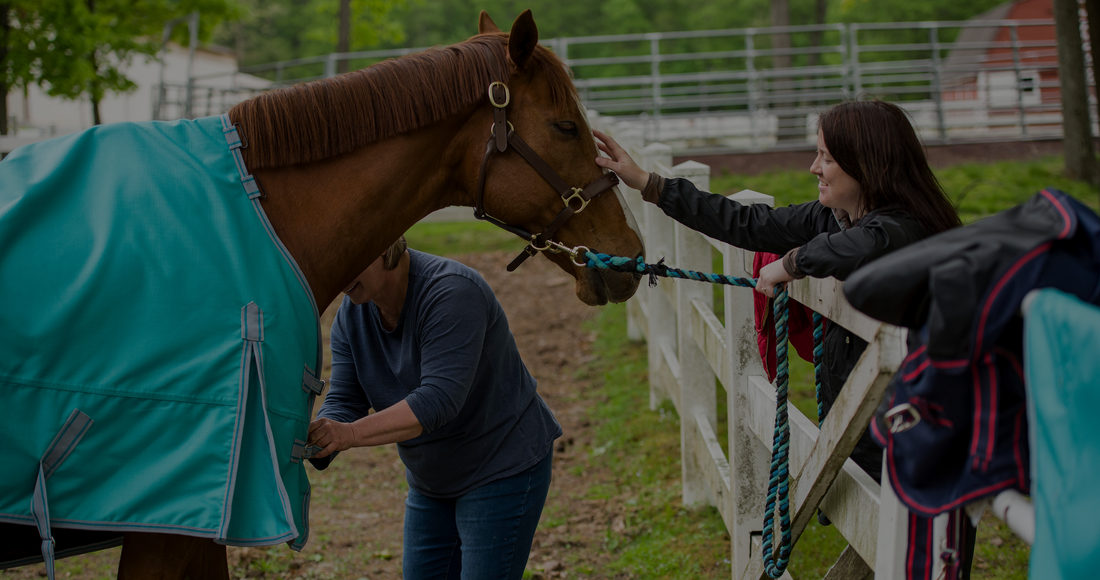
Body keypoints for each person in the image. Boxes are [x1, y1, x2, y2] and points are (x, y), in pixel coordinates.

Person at [594, 98, 963, 479]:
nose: (814, 167)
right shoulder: (835, 217)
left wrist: (789, 263)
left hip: (916, 428)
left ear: (867, 165)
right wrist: (650, 184)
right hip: (865, 418)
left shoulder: (902, 228)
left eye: (827, 158)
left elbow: (868, 244)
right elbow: (751, 224)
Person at [307, 236, 561, 580]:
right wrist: (323, 432)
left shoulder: (452, 291)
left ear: (384, 243)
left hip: (501, 464)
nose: (341, 275)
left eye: (352, 258)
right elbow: (347, 397)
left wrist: (348, 434)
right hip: (432, 480)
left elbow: (438, 400)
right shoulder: (351, 317)